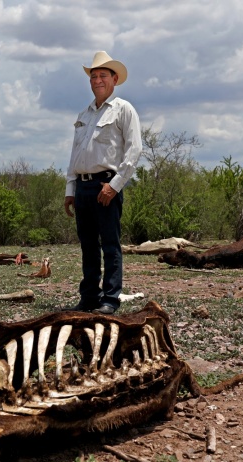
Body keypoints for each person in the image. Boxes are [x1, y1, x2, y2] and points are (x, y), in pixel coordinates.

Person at [64, 51, 142, 315]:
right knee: (88, 245)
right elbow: (75, 153)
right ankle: (88, 297)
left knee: (110, 244)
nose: (97, 80)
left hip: (106, 185)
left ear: (114, 79)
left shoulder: (123, 109)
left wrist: (115, 185)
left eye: (103, 75)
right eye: (94, 76)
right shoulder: (84, 115)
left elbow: (134, 151)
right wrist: (70, 189)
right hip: (83, 186)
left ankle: (110, 298)